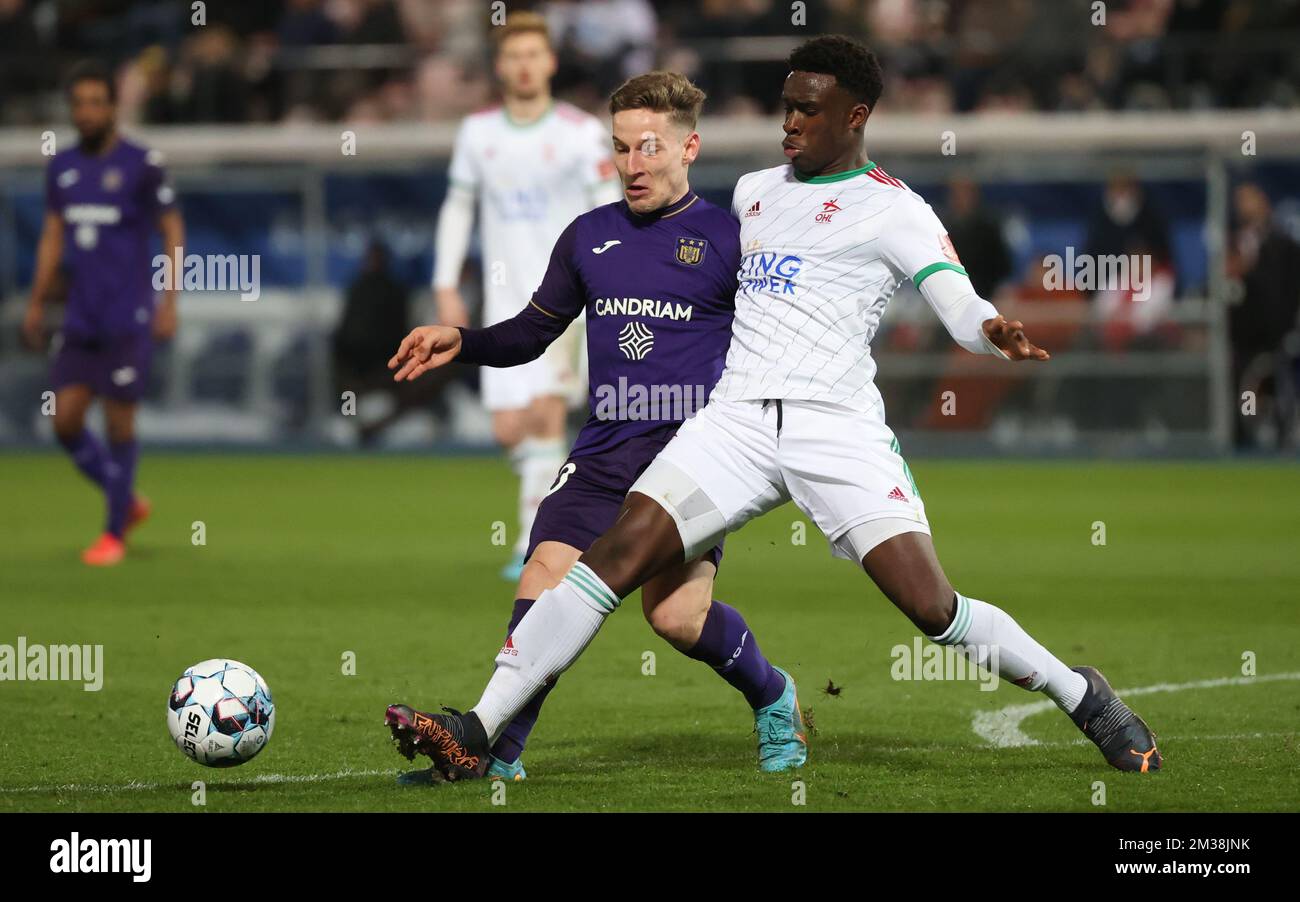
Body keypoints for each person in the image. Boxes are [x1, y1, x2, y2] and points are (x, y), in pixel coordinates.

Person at [388, 36, 1161, 780]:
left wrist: (990, 331)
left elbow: (952, 295)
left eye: (808, 111)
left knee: (933, 608)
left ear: (855, 116)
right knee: (610, 562)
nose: (789, 122)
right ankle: (476, 729)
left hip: (837, 428)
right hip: (736, 424)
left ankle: (1080, 692)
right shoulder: (754, 195)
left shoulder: (895, 208)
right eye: (785, 106)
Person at [386, 71, 805, 781]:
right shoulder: (589, 237)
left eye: (649, 148)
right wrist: (465, 340)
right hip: (604, 450)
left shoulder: (732, 240)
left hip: (689, 459)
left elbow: (779, 343)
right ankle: (496, 754)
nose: (632, 165)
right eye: (620, 149)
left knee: (672, 618)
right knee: (543, 579)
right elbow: (531, 331)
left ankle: (773, 694)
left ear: (688, 148)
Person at [433, 11, 622, 580]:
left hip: (565, 301)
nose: (524, 65)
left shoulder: (579, 132)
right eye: (514, 56)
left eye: (534, 55)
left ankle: (532, 543)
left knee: (545, 416)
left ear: (550, 62)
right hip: (501, 301)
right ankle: (585, 512)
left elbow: (609, 207)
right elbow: (459, 207)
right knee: (509, 428)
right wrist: (445, 284)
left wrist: (610, 280)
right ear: (500, 65)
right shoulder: (478, 134)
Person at [22, 60, 184, 566]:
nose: (87, 112)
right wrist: (36, 298)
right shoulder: (63, 167)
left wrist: (170, 299)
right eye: (80, 103)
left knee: (119, 424)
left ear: (114, 106)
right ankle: (125, 498)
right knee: (65, 421)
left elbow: (172, 230)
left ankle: (113, 532)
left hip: (127, 315)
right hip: (80, 317)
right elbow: (53, 235)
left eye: (97, 102)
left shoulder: (142, 164)